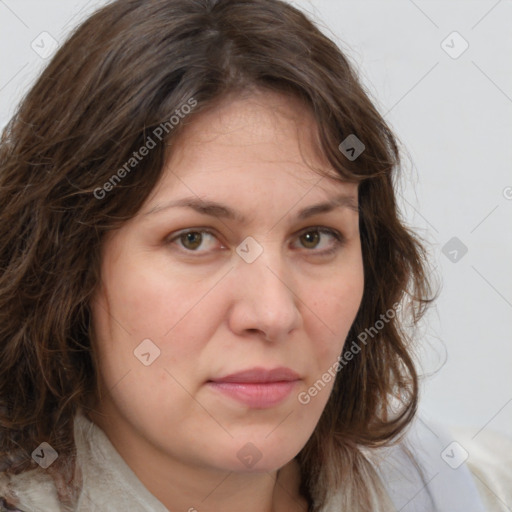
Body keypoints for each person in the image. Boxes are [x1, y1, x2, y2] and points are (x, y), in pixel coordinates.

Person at [0, 0, 510, 511]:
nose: (273, 313)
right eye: (194, 239)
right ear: (67, 267)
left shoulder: (454, 490)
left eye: (314, 237)